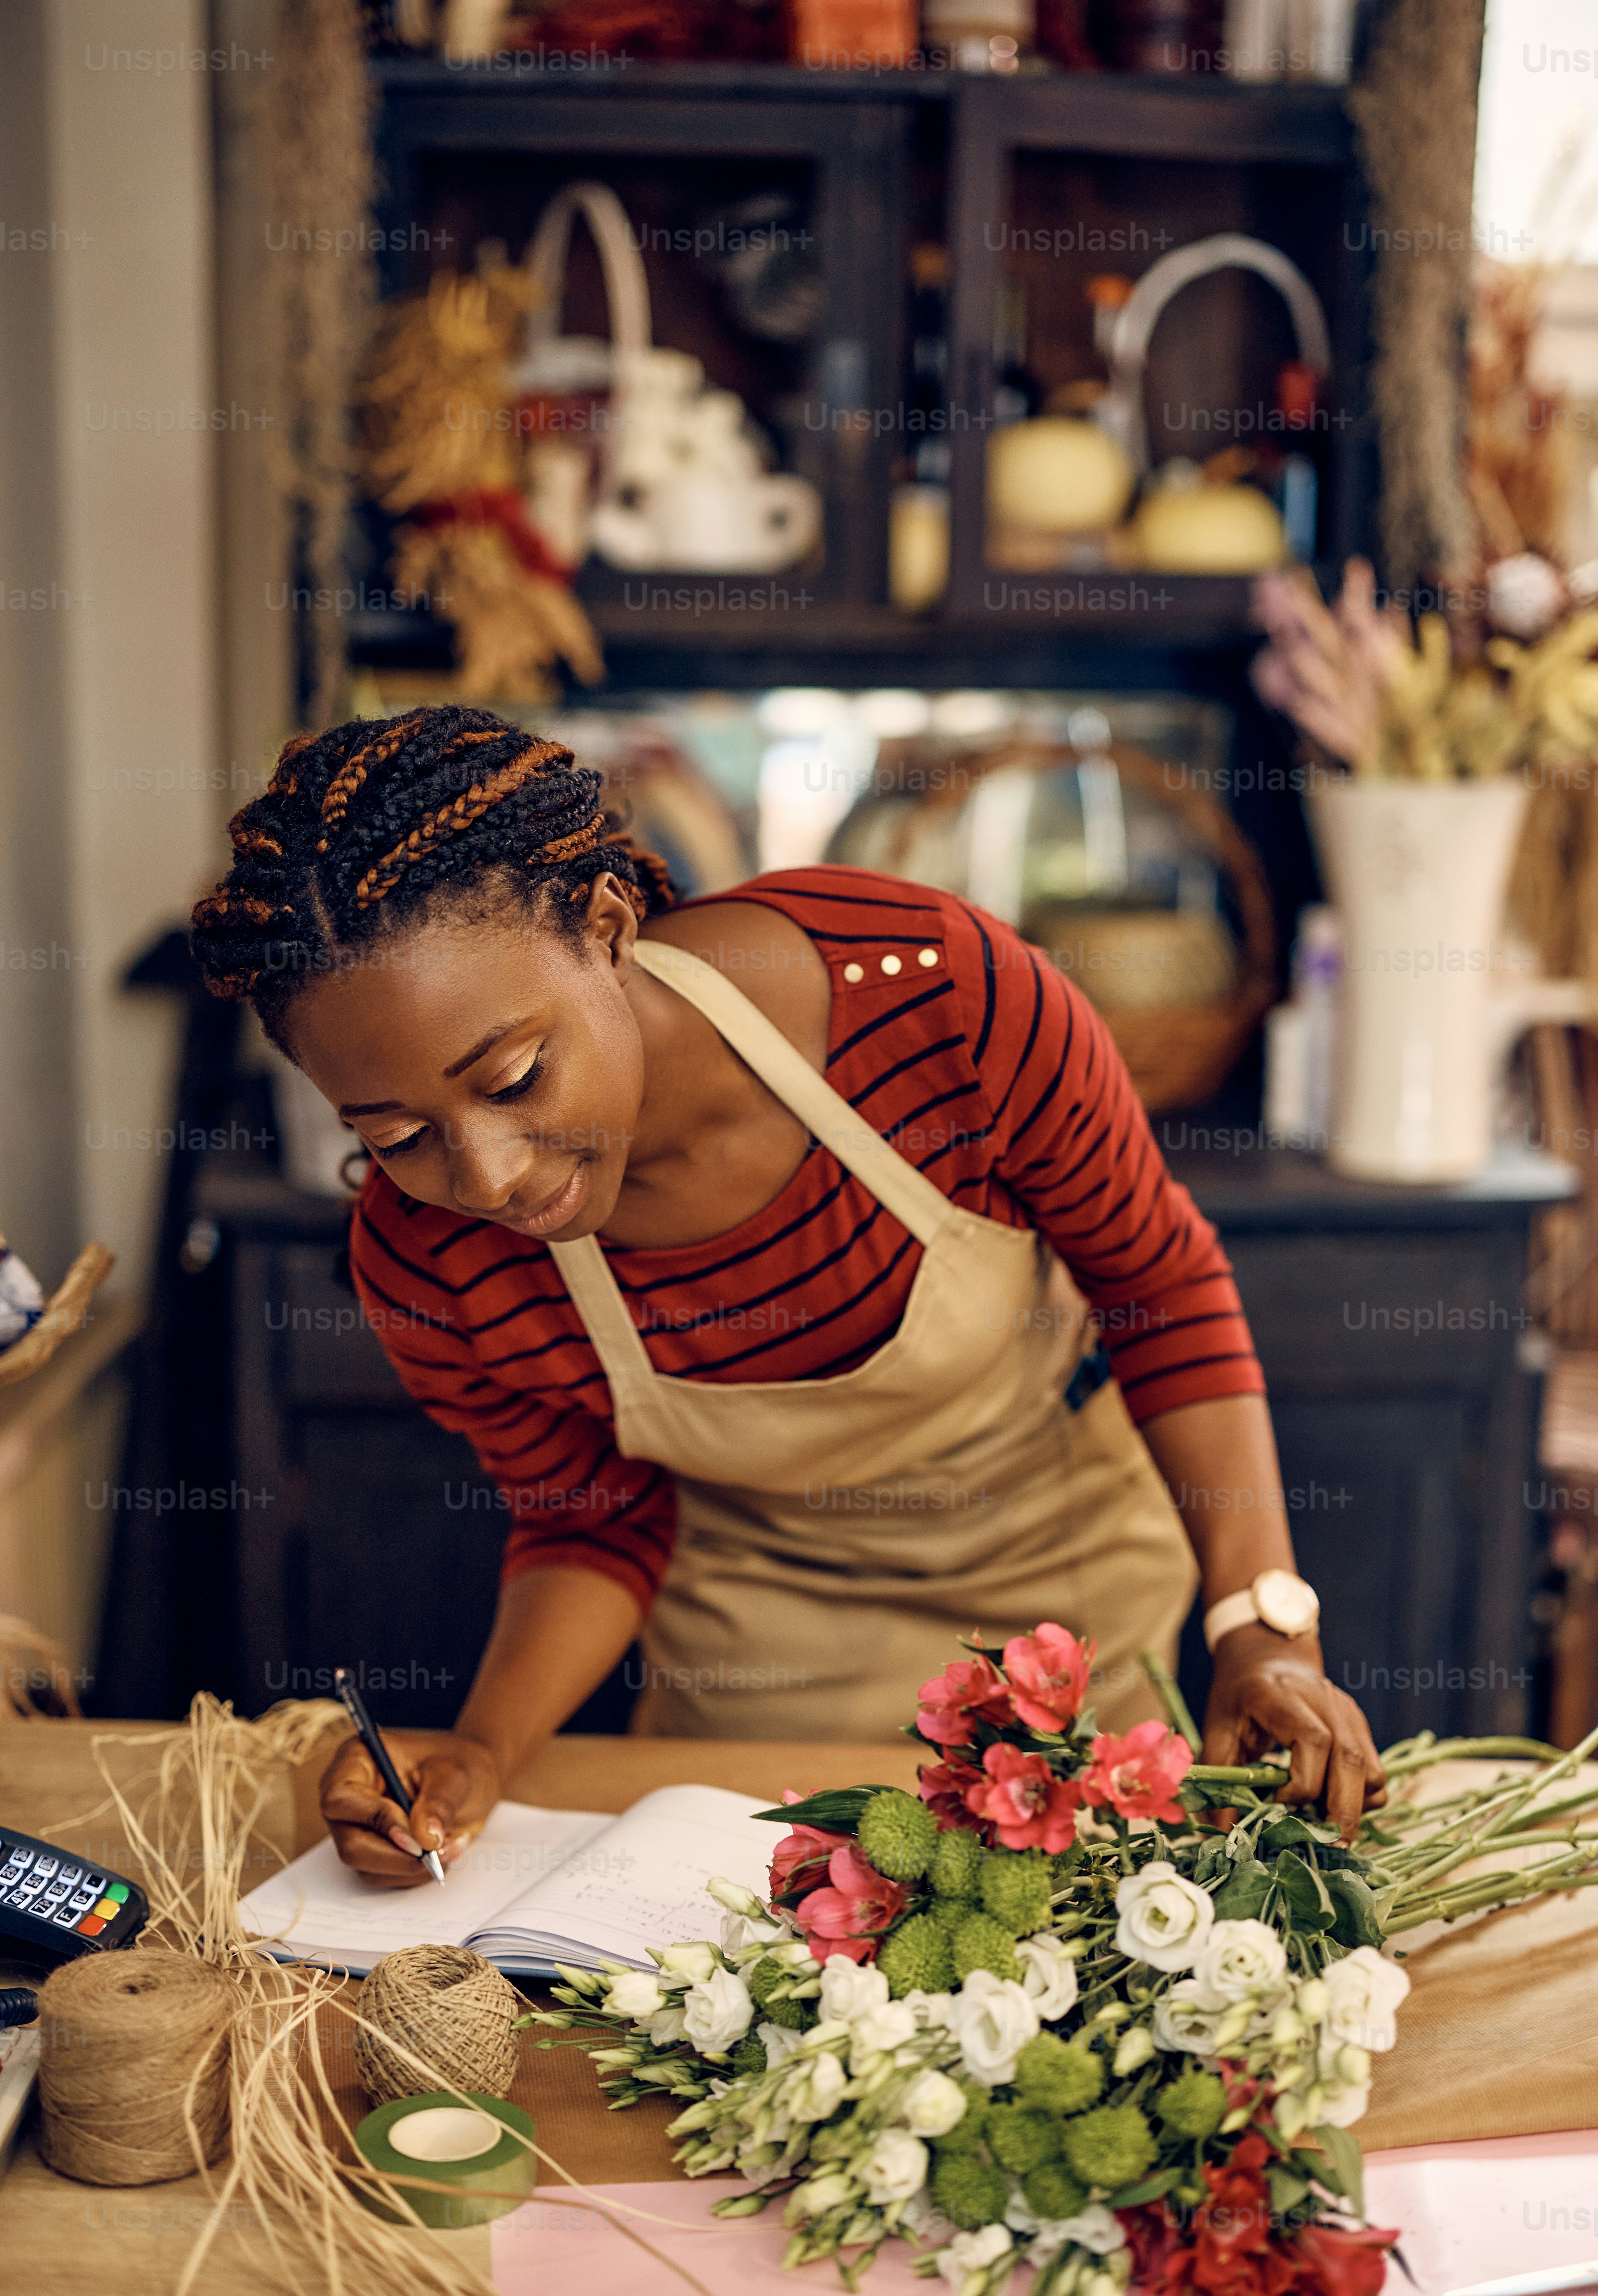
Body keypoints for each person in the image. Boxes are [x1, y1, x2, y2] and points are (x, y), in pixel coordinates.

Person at [190, 705, 1385, 1881]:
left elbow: (1159, 1291)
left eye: (516, 1076)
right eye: (396, 1133)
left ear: (607, 925)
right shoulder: (430, 1261)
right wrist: (482, 1755)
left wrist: (1264, 1634)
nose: (487, 1177)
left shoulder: (936, 1001)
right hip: (754, 1658)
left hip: (1063, 1608)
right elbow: (592, 1518)